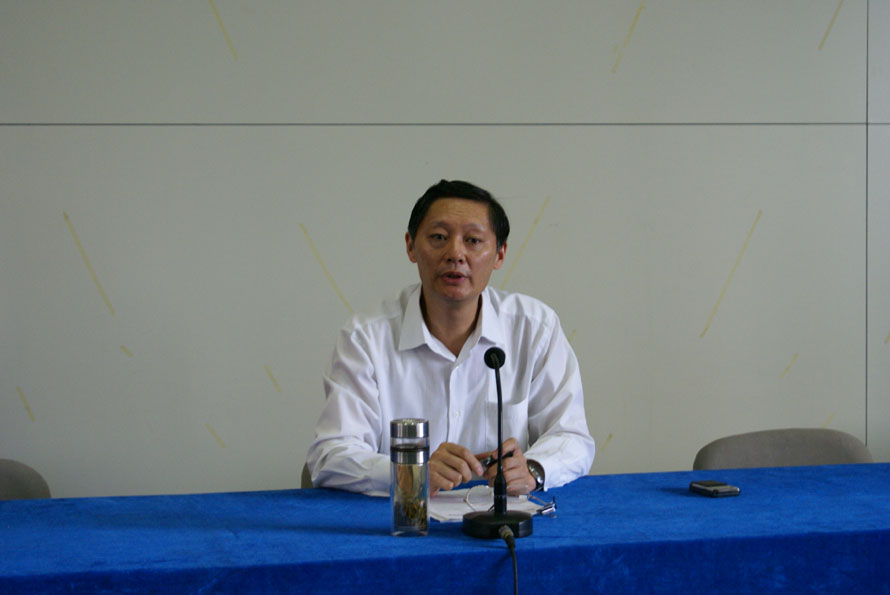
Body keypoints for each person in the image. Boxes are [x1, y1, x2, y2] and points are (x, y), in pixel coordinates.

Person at [306, 180, 595, 497]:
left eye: (473, 241)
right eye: (439, 237)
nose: (455, 254)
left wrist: (534, 470)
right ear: (411, 247)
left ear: (499, 255)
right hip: (404, 519)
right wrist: (412, 473)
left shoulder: (534, 328)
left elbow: (572, 437)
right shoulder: (366, 337)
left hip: (501, 517)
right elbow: (330, 455)